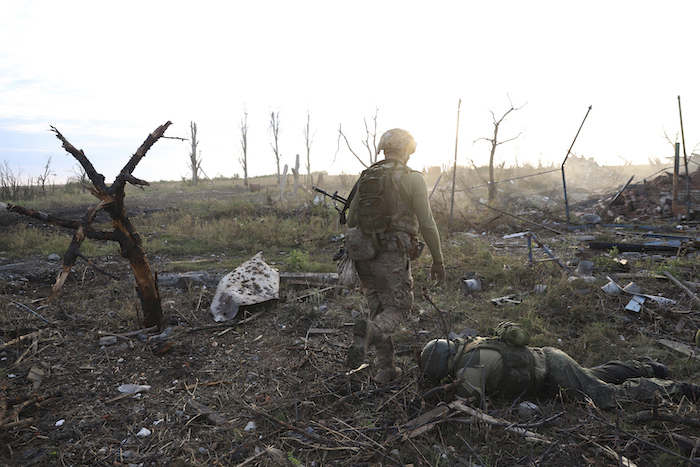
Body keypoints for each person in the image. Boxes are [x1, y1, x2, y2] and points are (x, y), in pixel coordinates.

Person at [344, 128, 445, 384]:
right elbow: (427, 223)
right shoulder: (412, 178)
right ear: (407, 150)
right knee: (400, 307)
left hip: (363, 256)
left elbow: (348, 219)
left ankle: (386, 369)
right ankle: (369, 333)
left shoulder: (367, 176)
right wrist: (438, 259)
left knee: (378, 307)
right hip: (391, 254)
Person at [419, 326, 700, 409]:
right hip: (550, 364)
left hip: (552, 371)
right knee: (595, 377)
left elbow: (469, 402)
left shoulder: (468, 366)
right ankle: (649, 367)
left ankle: (683, 389)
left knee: (605, 396)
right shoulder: (471, 345)